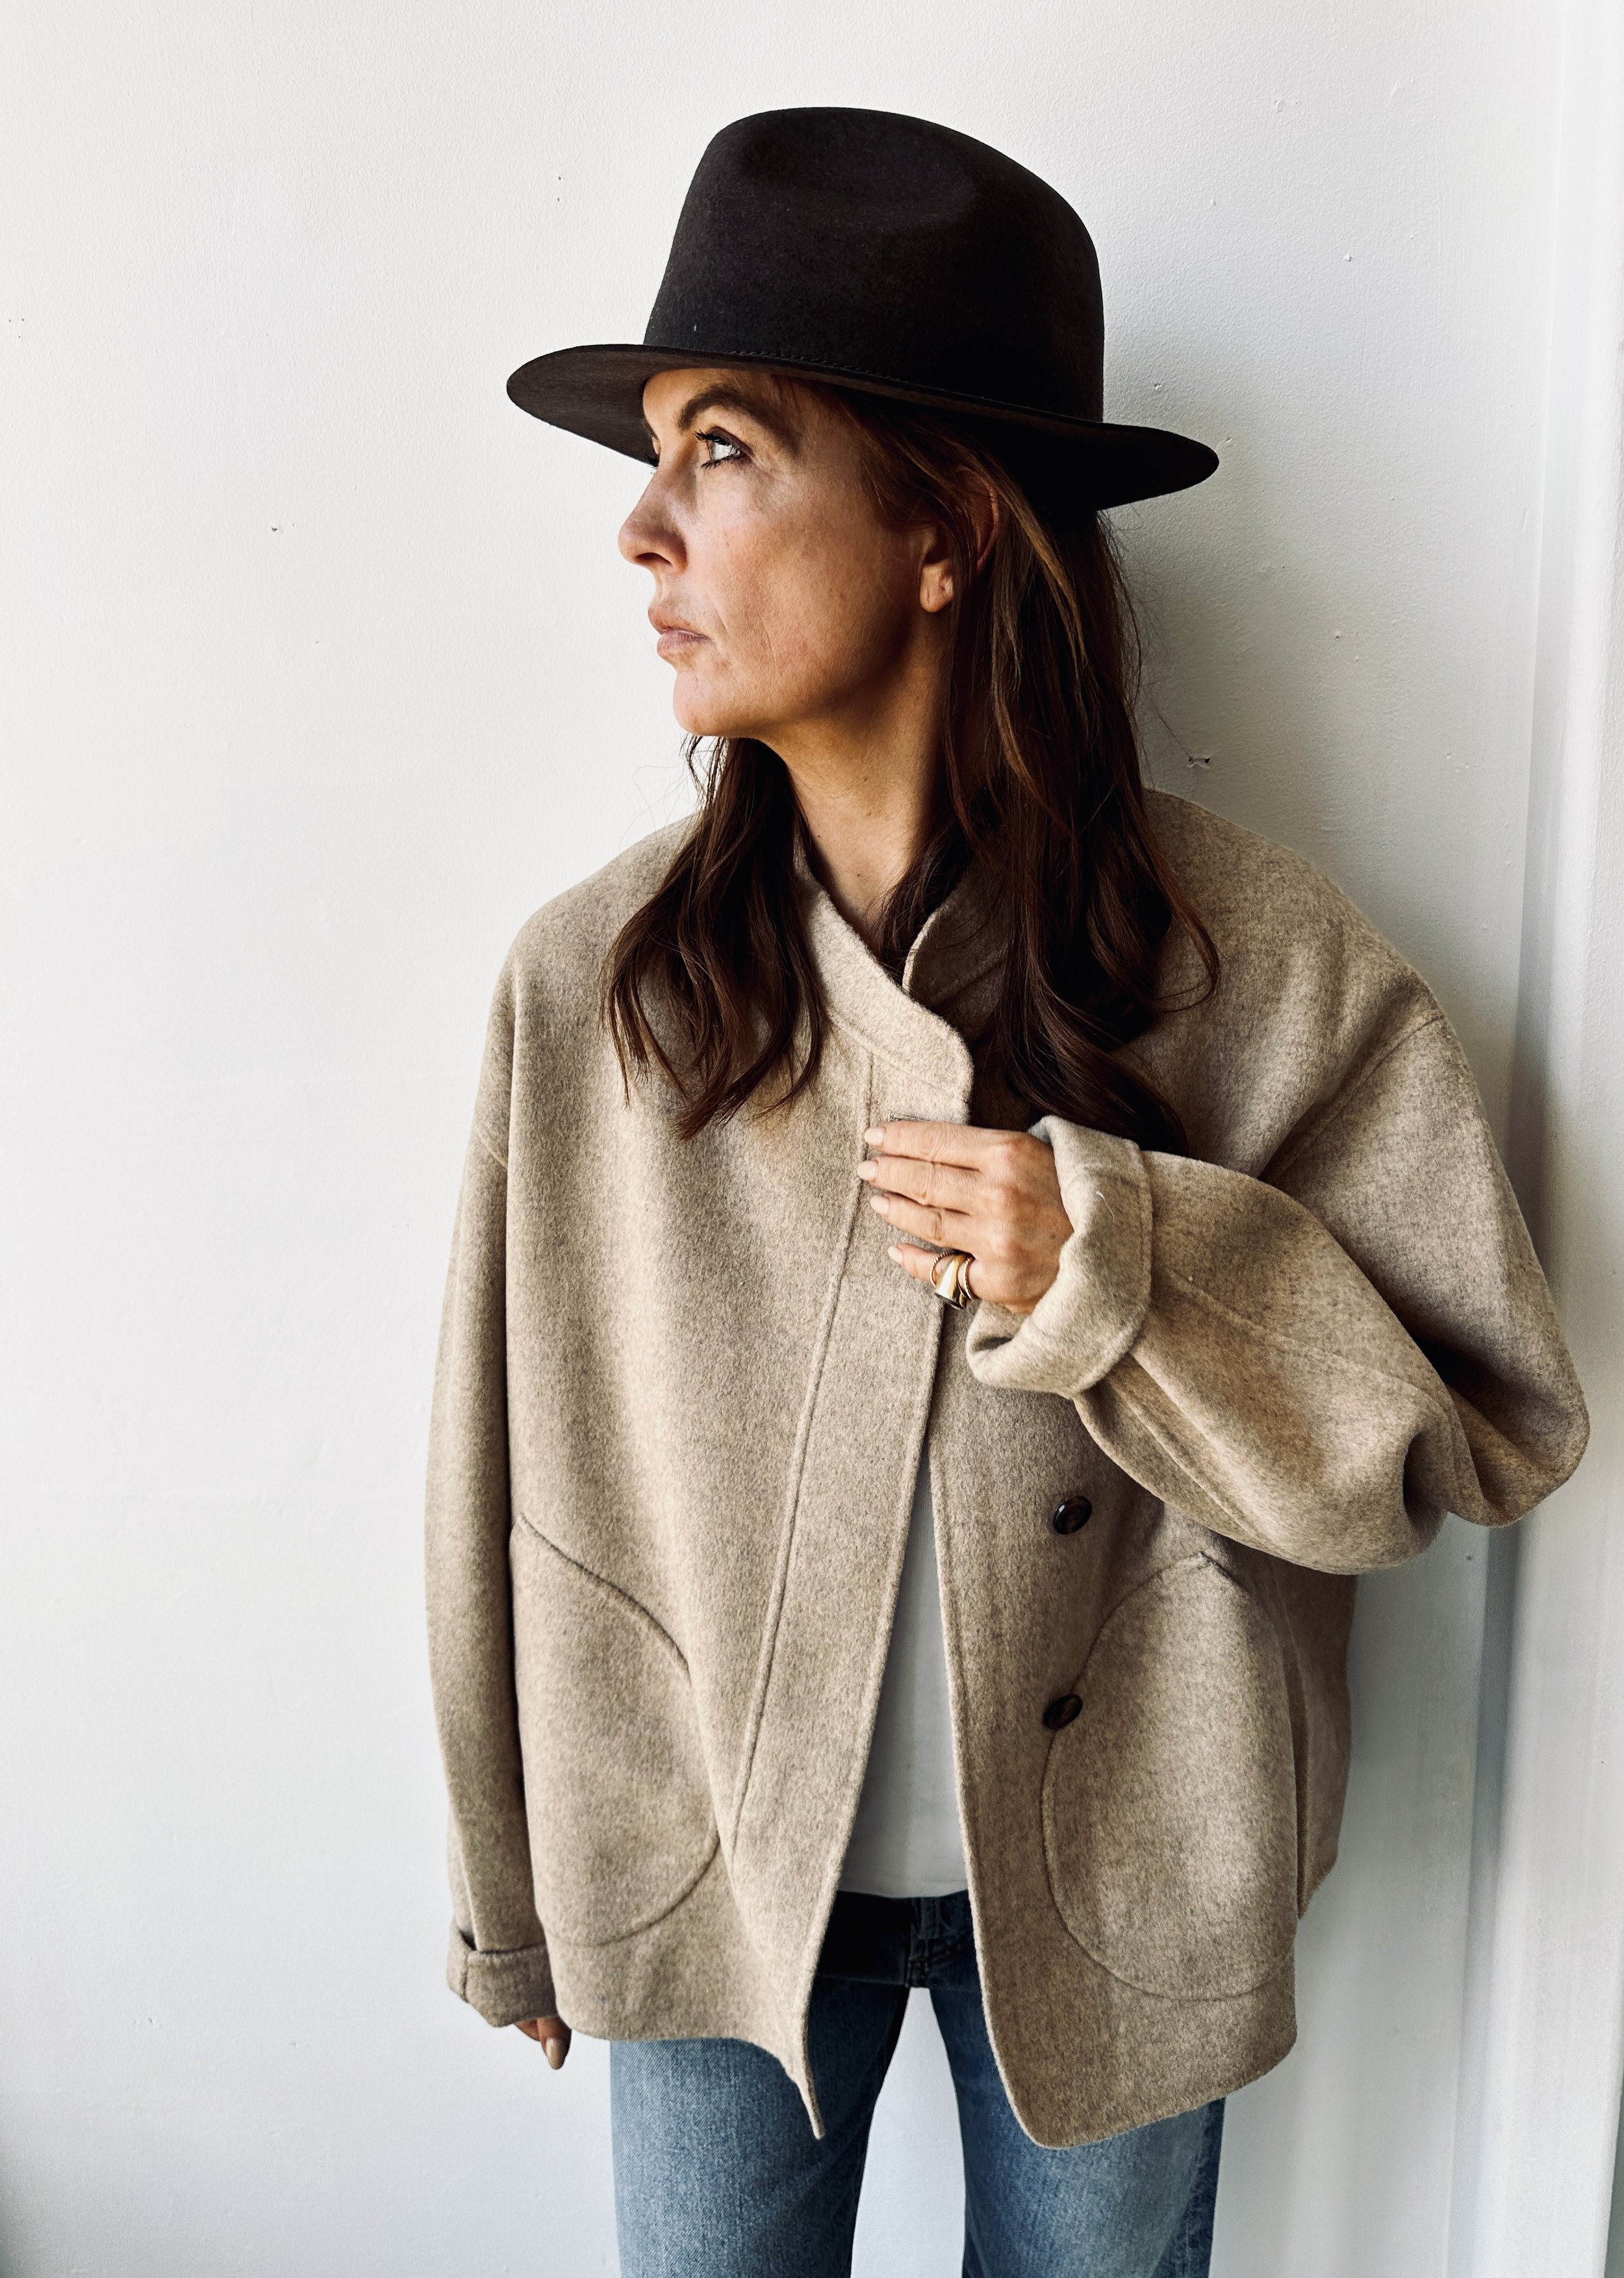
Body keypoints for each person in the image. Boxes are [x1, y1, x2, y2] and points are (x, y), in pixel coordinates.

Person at [424, 107, 1588, 2278]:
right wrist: (511, 1889)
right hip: (692, 1881)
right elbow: (493, 1460)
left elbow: (1476, 1423)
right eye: (653, 452)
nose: (640, 529)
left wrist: (1131, 1264)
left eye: (728, 450)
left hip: (1126, 1887)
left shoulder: (1257, 964)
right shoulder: (596, 983)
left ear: (944, 526)